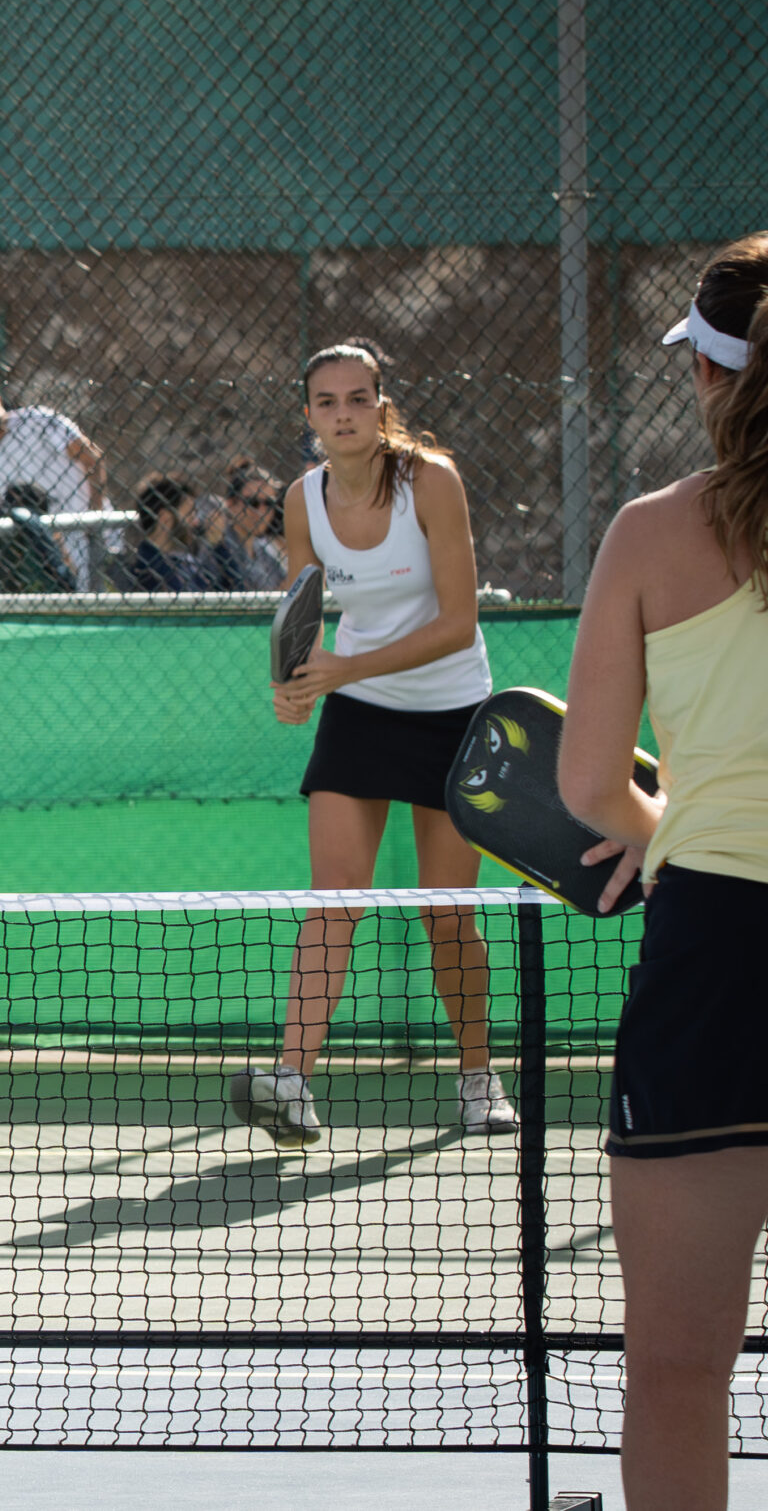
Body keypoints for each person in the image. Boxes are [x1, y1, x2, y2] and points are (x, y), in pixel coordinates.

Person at [558, 234, 768, 1511]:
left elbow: (588, 786)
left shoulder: (647, 534)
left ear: (702, 373)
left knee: (678, 1371)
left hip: (714, 955)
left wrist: (660, 820)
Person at [233, 339, 513, 1149]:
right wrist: (297, 684)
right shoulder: (303, 500)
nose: (344, 414)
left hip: (451, 710)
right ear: (309, 415)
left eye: (359, 398)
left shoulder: (433, 481)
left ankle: (478, 1078)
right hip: (359, 710)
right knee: (336, 896)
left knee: (446, 915)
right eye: (327, 402)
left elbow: (458, 621)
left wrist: (345, 666)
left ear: (382, 406)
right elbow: (303, 614)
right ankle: (292, 1082)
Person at [0, 371, 109, 589]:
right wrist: (63, 557)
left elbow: (92, 458)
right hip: (61, 550)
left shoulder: (38, 420)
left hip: (98, 534)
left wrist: (95, 519)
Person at [127, 472, 214, 593]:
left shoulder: (183, 561)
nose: (196, 522)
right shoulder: (148, 570)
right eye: (189, 514)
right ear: (165, 518)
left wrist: (218, 545)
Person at [210, 459, 289, 590]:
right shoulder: (220, 545)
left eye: (269, 503)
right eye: (253, 503)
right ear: (231, 504)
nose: (262, 512)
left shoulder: (263, 548)